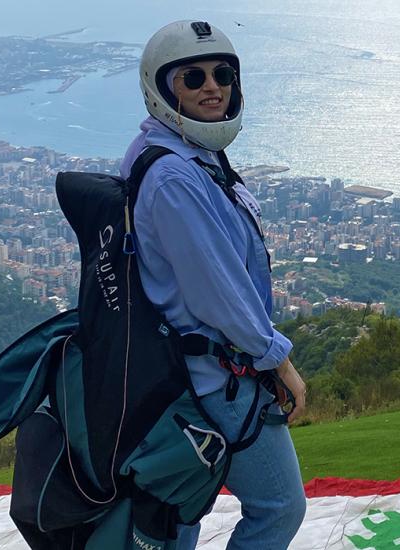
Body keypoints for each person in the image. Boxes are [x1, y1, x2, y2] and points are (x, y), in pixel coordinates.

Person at [119, 20, 306, 549]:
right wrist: (276, 359)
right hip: (216, 376)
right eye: (192, 76)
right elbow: (216, 291)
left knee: (184, 509)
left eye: (222, 74)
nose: (212, 87)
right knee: (279, 507)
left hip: (179, 373)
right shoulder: (175, 175)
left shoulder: (167, 151)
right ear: (162, 87)